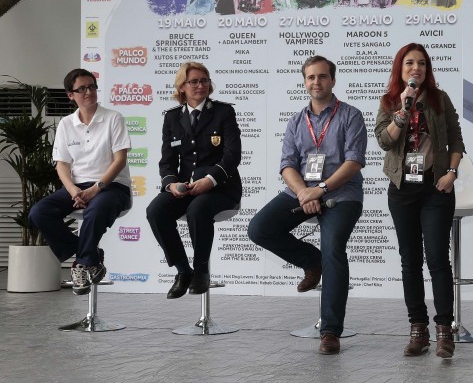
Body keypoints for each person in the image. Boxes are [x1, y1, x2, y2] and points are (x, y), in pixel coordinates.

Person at [248, 56, 366, 355]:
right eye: (311, 77)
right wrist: (304, 193)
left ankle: (330, 331)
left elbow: (354, 162)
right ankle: (311, 261)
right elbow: (287, 165)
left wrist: (320, 190)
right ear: (304, 82)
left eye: (323, 76)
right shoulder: (296, 121)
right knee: (259, 229)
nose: (317, 82)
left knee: (333, 249)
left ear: (333, 80)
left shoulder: (351, 116)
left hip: (342, 194)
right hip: (301, 191)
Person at [374, 43, 465, 359]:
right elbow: (384, 141)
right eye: (410, 63)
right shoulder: (389, 101)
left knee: (438, 258)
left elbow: (456, 139)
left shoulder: (440, 99)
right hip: (402, 189)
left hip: (435, 187)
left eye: (422, 63)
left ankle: (444, 330)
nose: (416, 68)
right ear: (400, 69)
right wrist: (403, 109)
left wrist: (451, 172)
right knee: (410, 261)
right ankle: (418, 328)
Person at [29, 69, 132, 295]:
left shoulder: (113, 118)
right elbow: (62, 165)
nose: (89, 92)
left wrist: (96, 189)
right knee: (39, 212)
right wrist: (73, 190)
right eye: (82, 89)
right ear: (70, 95)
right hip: (77, 187)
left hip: (112, 186)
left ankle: (82, 264)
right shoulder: (66, 124)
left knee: (94, 211)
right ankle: (91, 256)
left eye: (92, 86)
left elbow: (120, 160)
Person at [146, 62, 242, 299]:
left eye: (204, 80)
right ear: (182, 87)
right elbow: (167, 161)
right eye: (194, 81)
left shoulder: (223, 112)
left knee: (198, 209)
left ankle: (201, 271)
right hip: (186, 187)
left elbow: (232, 155)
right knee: (155, 210)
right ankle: (183, 270)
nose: (200, 85)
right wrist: (171, 184)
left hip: (220, 187)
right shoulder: (172, 118)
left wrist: (210, 180)